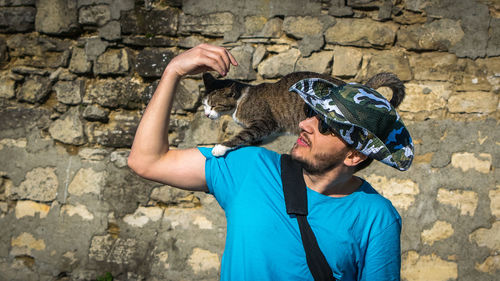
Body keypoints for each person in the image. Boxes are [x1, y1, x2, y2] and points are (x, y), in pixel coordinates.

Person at [128, 44, 414, 280]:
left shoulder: (377, 217)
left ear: (355, 155)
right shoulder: (249, 167)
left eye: (326, 126)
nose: (304, 124)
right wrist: (173, 71)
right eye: (311, 112)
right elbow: (146, 161)